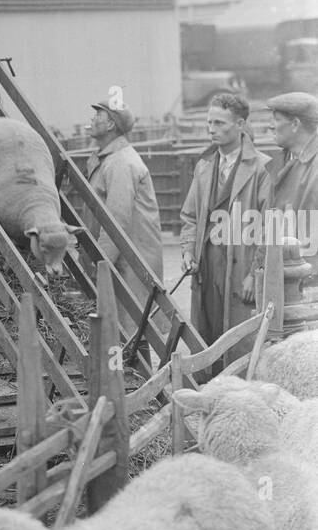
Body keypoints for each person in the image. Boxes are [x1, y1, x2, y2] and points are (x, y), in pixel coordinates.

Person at [179, 91, 271, 373]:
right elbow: (190, 216)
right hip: (206, 266)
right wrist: (187, 251)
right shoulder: (204, 166)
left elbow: (270, 226)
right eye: (209, 123)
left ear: (241, 124)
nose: (211, 130)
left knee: (239, 338)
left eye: (220, 123)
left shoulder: (261, 169)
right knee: (207, 332)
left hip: (241, 265)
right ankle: (210, 393)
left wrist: (254, 274)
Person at [83, 101, 164, 335]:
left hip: (129, 262)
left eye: (97, 115)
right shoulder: (109, 159)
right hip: (123, 259)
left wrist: (100, 263)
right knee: (130, 329)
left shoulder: (120, 163)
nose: (91, 119)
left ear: (110, 124)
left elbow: (116, 220)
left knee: (132, 330)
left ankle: (141, 373)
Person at [264, 93, 318, 265]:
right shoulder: (287, 161)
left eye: (276, 119)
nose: (270, 126)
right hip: (290, 270)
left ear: (295, 124)